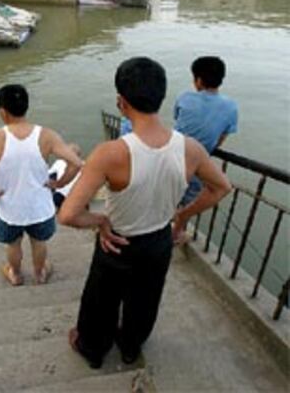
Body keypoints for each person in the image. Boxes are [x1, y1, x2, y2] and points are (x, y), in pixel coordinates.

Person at [58, 57, 231, 369]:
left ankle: (93, 348)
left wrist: (100, 221)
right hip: (158, 241)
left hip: (117, 242)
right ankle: (130, 347)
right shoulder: (190, 148)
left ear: (121, 102)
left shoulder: (111, 154)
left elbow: (67, 215)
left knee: (101, 300)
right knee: (145, 299)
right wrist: (182, 216)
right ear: (162, 98)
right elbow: (221, 187)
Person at [0, 84, 82, 287]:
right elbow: (77, 163)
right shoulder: (47, 135)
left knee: (13, 244)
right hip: (40, 207)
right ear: (26, 106)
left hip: (10, 209)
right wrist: (59, 183)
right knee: (38, 242)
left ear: (2, 111)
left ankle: (16, 275)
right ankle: (39, 273)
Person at [174, 56, 238, 206]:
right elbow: (221, 139)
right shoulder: (231, 107)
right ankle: (179, 225)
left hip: (173, 156)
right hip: (199, 165)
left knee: (165, 198)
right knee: (189, 200)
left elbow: (178, 121)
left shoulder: (185, 97)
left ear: (198, 80)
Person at [48, 144, 82, 210]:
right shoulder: (59, 162)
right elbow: (48, 174)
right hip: (61, 194)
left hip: (76, 196)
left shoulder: (83, 165)